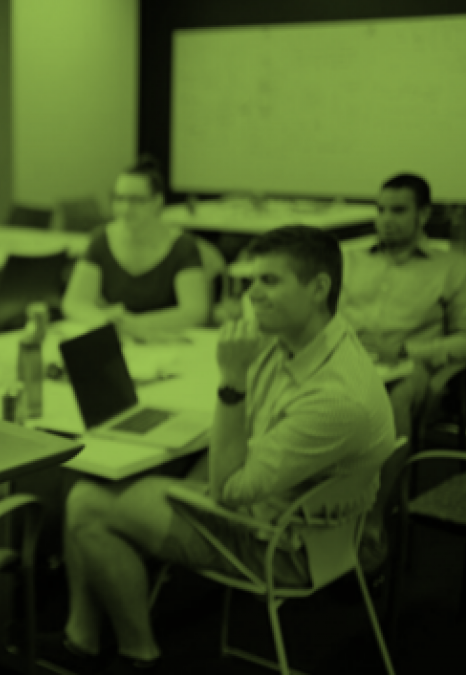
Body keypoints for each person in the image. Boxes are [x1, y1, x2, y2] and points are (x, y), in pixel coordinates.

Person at [38, 226, 396, 674]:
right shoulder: (309, 340)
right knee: (106, 478)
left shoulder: (335, 398)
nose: (253, 295)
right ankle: (83, 638)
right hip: (303, 515)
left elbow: (228, 490)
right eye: (251, 281)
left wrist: (231, 381)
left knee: (87, 503)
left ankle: (139, 656)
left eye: (270, 281)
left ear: (319, 288)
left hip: (283, 547)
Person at [339, 173, 466, 442]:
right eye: (381, 210)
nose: (386, 219)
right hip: (344, 356)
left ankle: (388, 483)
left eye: (398, 211)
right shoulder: (351, 260)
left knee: (389, 399)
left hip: (409, 366)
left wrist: (405, 350)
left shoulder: (452, 268)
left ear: (423, 214)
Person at [62, 156, 210, 340]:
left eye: (136, 200)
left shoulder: (182, 246)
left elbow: (195, 312)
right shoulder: (101, 240)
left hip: (168, 343)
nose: (125, 208)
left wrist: (133, 324)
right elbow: (74, 302)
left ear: (157, 201)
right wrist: (105, 320)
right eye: (119, 198)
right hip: (122, 343)